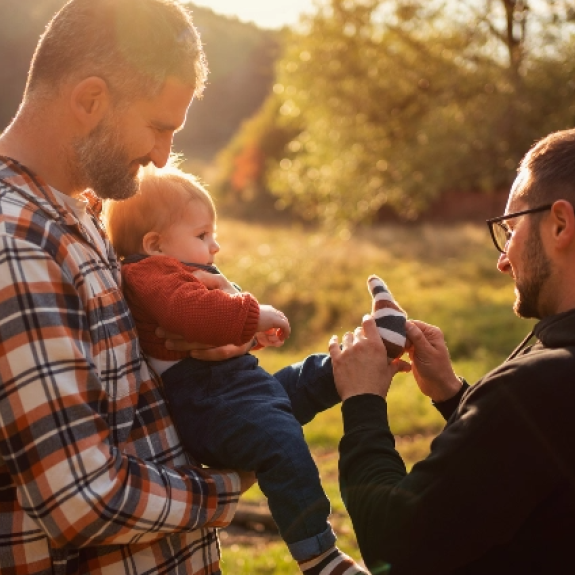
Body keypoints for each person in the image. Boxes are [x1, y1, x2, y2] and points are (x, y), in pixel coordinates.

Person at [0, 1, 260, 573]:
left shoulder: (83, 211)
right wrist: (223, 490)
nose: (163, 155)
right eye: (158, 126)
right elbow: (81, 498)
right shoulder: (17, 243)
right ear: (90, 100)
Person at [329, 128, 575, 575]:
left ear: (560, 224)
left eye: (511, 229)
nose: (503, 260)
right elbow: (534, 468)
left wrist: (363, 403)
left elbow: (397, 543)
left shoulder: (536, 388)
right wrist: (451, 394)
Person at [103, 164, 369, 575]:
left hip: (231, 388)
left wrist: (248, 336)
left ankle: (368, 353)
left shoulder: (169, 270)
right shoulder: (149, 273)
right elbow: (191, 312)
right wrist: (255, 313)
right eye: (202, 235)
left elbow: (210, 321)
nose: (215, 246)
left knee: (303, 380)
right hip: (209, 402)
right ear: (154, 243)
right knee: (281, 441)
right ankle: (319, 555)